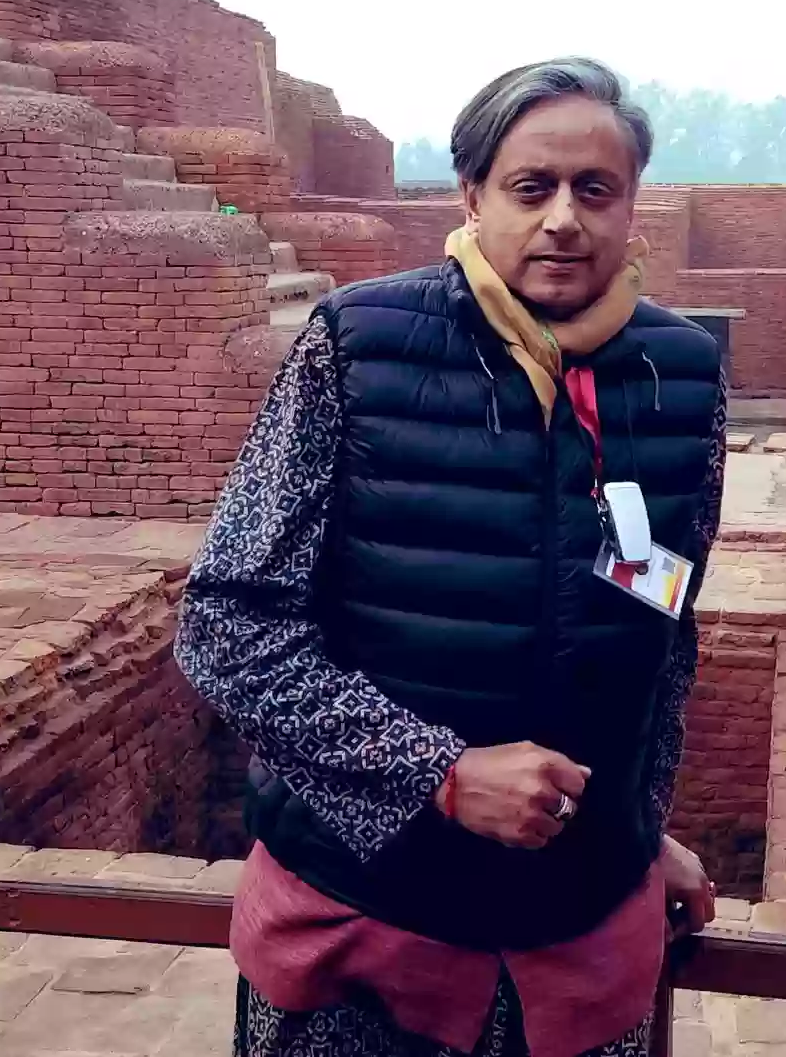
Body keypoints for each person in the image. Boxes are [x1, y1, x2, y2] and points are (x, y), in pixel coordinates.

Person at [176, 57, 730, 1057]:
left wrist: (635, 830)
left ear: (630, 203)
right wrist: (435, 772)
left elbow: (661, 637)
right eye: (531, 187)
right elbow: (227, 622)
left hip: (580, 934)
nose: (562, 218)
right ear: (472, 196)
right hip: (365, 926)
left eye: (594, 189)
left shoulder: (679, 374)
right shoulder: (359, 346)